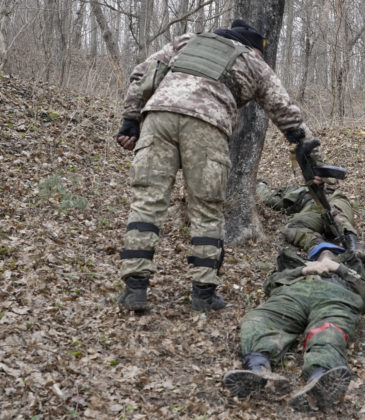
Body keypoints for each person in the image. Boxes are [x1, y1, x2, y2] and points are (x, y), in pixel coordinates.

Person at [115, 19, 321, 313]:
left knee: (147, 202)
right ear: (255, 47)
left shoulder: (188, 40)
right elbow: (283, 108)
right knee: (207, 209)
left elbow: (141, 73)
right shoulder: (254, 61)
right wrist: (303, 145)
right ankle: (203, 294)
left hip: (158, 118)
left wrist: (131, 120)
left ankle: (134, 289)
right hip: (207, 124)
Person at [223, 245, 365, 411]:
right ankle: (257, 367)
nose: (326, 254)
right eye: (321, 252)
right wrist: (303, 270)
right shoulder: (298, 266)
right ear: (312, 257)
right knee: (258, 319)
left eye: (331, 252)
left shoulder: (348, 270)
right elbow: (269, 284)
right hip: (293, 295)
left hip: (336, 297)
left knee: (329, 330)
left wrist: (339, 269)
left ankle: (321, 376)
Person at [256, 180, 365, 263]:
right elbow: (266, 198)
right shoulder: (286, 195)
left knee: (334, 213)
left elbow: (328, 176)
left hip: (332, 199)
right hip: (310, 209)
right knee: (292, 227)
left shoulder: (318, 182)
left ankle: (354, 244)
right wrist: (260, 184)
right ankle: (321, 248)